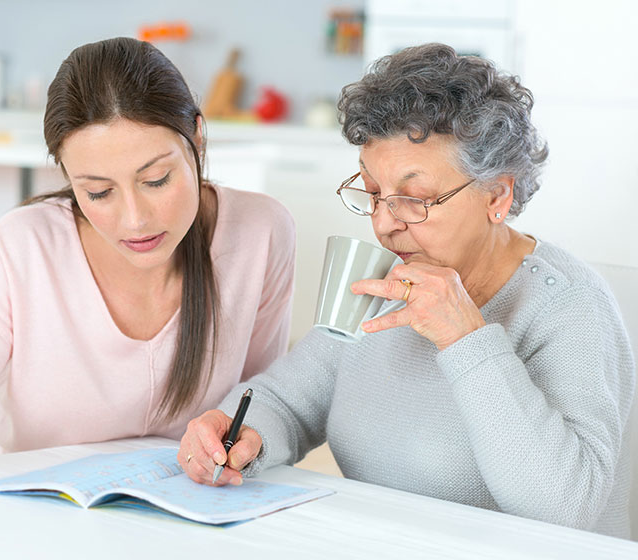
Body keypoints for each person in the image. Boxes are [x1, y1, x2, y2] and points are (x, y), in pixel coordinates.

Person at [178, 43, 635, 538]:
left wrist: (466, 339)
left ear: (498, 195)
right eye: (373, 193)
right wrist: (239, 435)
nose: (384, 225)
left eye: (414, 200)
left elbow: (566, 508)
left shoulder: (570, 306)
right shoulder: (386, 278)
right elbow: (287, 402)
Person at [0, 37, 295, 470]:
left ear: (198, 134)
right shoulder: (24, 246)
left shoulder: (261, 231)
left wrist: (240, 446)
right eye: (99, 192)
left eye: (156, 180)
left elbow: (262, 409)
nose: (135, 220)